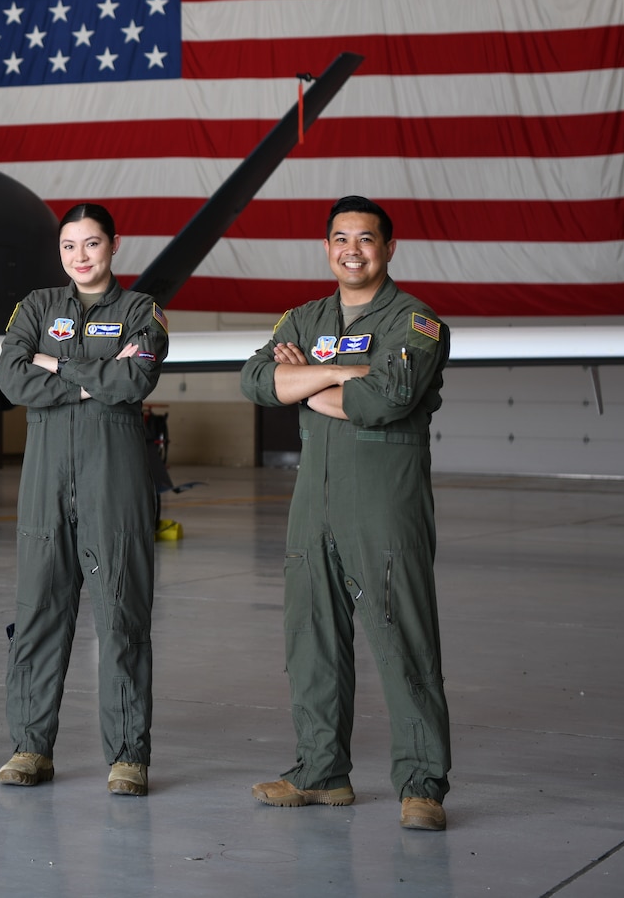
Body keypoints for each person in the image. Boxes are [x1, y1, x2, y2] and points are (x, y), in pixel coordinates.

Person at [239, 195, 454, 831]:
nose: (351, 250)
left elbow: (388, 397)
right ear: (326, 247)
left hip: (384, 503)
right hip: (314, 503)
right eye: (340, 239)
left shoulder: (416, 322)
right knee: (312, 637)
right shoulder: (305, 317)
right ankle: (321, 771)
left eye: (365, 239)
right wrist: (343, 378)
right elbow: (255, 381)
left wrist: (307, 381)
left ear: (388, 248)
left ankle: (422, 784)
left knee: (403, 638)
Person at [0, 203, 167, 795]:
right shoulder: (36, 307)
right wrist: (93, 373)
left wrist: (55, 364)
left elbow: (135, 381)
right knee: (40, 610)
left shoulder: (141, 311)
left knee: (121, 612)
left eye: (92, 244)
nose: (81, 256)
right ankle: (29, 747)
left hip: (114, 477)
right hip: (45, 477)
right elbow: (13, 378)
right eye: (70, 246)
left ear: (114, 246)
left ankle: (127, 755)